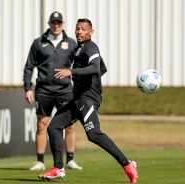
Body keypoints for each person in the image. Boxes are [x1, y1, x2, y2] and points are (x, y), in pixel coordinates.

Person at [38, 18, 138, 183]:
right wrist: (90, 81)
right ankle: (58, 168)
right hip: (78, 98)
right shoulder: (79, 48)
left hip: (88, 98)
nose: (79, 32)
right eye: (77, 29)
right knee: (54, 127)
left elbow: (94, 68)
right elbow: (102, 68)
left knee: (94, 134)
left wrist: (74, 73)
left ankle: (128, 165)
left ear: (91, 32)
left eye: (83, 29)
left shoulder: (91, 47)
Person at [23, 11, 82, 171]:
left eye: (59, 22)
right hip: (43, 90)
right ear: (49, 24)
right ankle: (40, 161)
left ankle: (70, 159)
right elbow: (29, 66)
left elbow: (78, 67)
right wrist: (28, 88)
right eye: (53, 22)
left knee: (70, 125)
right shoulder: (38, 43)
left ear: (62, 24)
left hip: (65, 90)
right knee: (42, 125)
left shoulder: (71, 43)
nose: (56, 25)